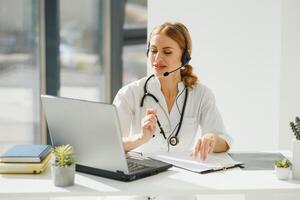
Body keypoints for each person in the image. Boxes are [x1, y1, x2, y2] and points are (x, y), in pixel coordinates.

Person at [113, 21, 231, 160]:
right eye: (153, 50)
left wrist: (211, 139)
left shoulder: (201, 94)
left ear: (184, 57)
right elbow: (111, 146)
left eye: (167, 52)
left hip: (184, 174)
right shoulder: (130, 93)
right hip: (142, 176)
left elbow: (224, 142)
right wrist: (141, 138)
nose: (157, 58)